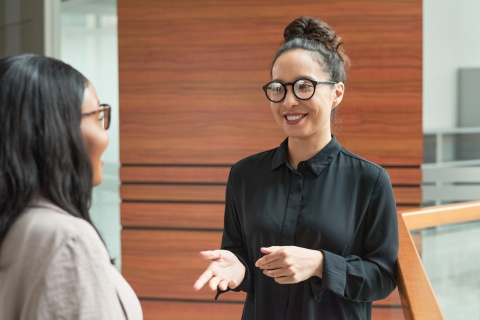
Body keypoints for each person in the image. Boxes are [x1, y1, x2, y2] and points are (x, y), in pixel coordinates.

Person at [193, 16, 398, 319]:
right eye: (278, 88)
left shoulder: (369, 180)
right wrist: (237, 268)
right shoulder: (244, 175)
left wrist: (320, 264)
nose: (288, 101)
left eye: (304, 86)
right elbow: (241, 256)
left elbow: (382, 277)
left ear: (336, 93)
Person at [0, 54, 142, 320]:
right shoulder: (67, 240)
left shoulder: (17, 227)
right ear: (55, 130)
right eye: (99, 116)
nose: (106, 136)